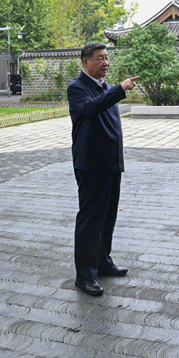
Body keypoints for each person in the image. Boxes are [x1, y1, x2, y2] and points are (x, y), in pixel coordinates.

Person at [67, 43, 139, 296]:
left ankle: (102, 261)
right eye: (100, 58)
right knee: (90, 220)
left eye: (107, 58)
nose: (106, 63)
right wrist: (119, 89)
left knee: (108, 216)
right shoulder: (77, 87)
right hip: (91, 164)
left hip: (111, 162)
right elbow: (91, 108)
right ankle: (84, 275)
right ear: (85, 62)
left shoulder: (104, 86)